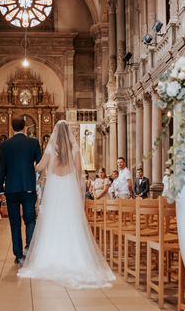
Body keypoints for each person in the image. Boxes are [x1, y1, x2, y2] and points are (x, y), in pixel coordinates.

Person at [17, 120, 115, 289]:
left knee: (53, 221)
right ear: (68, 132)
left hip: (54, 189)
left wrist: (27, 164)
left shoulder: (50, 148)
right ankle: (75, 258)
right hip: (68, 188)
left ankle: (50, 257)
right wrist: (77, 190)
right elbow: (79, 172)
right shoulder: (74, 148)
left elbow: (39, 167)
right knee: (70, 221)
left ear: (55, 132)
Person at [0, 116, 42, 265]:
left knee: (14, 222)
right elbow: (40, 164)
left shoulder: (5, 145)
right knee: (30, 219)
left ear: (12, 128)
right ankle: (29, 248)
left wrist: (0, 189)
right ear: (25, 127)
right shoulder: (33, 142)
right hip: (28, 187)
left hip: (11, 189)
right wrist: (29, 172)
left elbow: (2, 168)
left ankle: (18, 254)